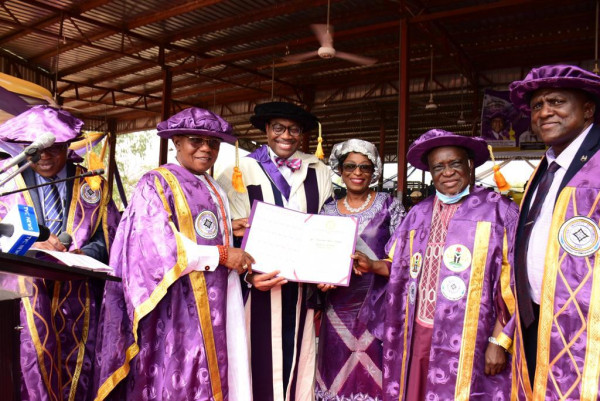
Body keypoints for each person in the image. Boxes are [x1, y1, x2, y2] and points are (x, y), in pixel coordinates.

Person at [93, 108, 253, 401]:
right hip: (176, 304)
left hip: (219, 298)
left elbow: (193, 229)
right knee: (178, 376)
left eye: (214, 143)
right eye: (196, 140)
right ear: (177, 141)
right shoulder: (156, 182)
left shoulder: (213, 186)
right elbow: (155, 244)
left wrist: (230, 228)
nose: (206, 148)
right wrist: (220, 254)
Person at [363, 129, 519, 400]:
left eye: (455, 163)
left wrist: (499, 340)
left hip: (473, 337)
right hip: (418, 330)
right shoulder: (418, 213)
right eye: (439, 167)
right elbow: (397, 266)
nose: (447, 172)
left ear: (470, 165)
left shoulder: (499, 211)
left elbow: (515, 281)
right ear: (431, 174)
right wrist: (370, 264)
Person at [0, 105, 120, 401]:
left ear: (68, 145)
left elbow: (111, 238)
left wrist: (81, 252)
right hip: (24, 298)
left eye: (54, 148)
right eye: (35, 149)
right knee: (27, 372)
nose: (44, 156)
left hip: (80, 298)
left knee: (78, 376)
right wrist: (27, 245)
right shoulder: (7, 183)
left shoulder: (92, 184)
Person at [217, 101, 334, 401]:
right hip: (255, 286)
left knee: (298, 362)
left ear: (302, 135)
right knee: (253, 366)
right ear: (266, 131)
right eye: (278, 128)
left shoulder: (318, 170)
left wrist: (329, 265)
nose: (286, 135)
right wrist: (247, 275)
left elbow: (327, 224)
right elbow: (225, 232)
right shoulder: (238, 170)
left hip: (301, 288)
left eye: (294, 129)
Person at [509, 64, 600, 399]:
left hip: (586, 330)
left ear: (588, 109)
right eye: (537, 106)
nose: (545, 112)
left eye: (557, 102)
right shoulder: (545, 168)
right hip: (535, 317)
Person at [314, 139, 404, 401]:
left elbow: (408, 260)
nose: (357, 173)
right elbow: (317, 257)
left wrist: (375, 265)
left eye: (365, 167)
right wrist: (321, 277)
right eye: (350, 166)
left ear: (374, 171)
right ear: (340, 170)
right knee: (336, 370)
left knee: (376, 372)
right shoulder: (327, 210)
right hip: (337, 307)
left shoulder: (390, 207)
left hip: (377, 306)